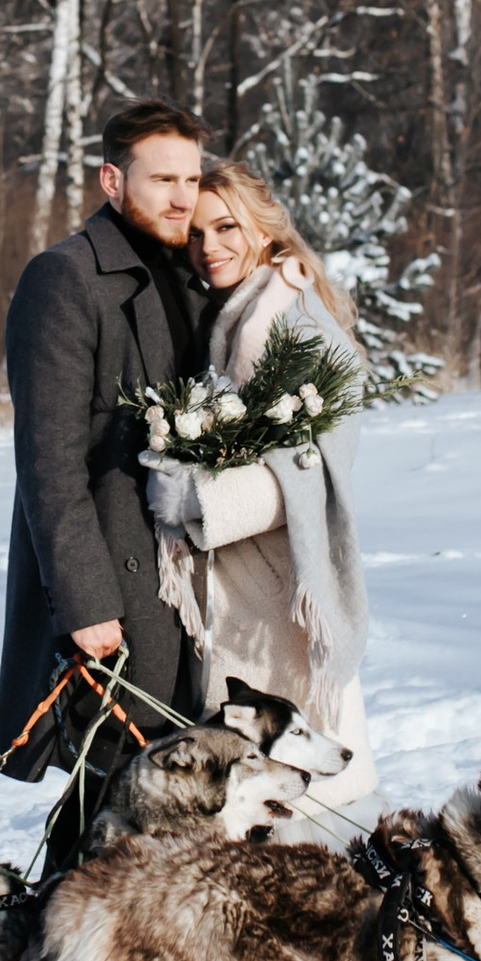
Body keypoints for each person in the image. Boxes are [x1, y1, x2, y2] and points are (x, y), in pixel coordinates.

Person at [0, 99, 213, 870]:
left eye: (192, 178)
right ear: (113, 180)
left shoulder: (195, 273)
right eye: (163, 179)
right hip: (116, 586)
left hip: (187, 577)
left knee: (172, 797)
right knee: (113, 796)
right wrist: (85, 606)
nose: (184, 197)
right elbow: (47, 461)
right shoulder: (62, 279)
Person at [143, 156, 379, 813]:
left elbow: (316, 467)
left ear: (264, 229)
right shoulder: (237, 315)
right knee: (263, 817)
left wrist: (195, 501)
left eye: (225, 228)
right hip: (250, 607)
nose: (209, 247)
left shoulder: (291, 320)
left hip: (284, 614)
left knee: (304, 820)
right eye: (195, 233)